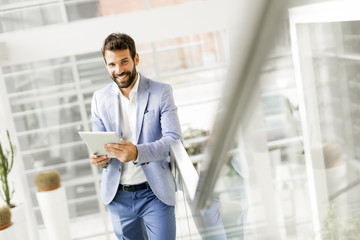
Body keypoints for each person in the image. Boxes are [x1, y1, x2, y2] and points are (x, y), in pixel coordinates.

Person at [89, 33, 182, 240]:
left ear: (135, 59)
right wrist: (98, 159)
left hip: (155, 193)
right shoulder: (99, 99)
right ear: (106, 65)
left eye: (124, 62)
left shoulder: (161, 92)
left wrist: (137, 152)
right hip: (118, 196)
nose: (119, 70)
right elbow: (99, 143)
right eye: (111, 64)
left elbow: (174, 140)